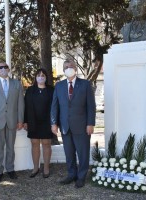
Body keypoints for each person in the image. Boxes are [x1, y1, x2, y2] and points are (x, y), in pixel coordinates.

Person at [51, 59, 96, 188]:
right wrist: (54, 123)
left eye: (71, 66)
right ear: (63, 70)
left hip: (82, 126)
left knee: (82, 153)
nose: (68, 68)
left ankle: (81, 177)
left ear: (75, 68)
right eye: (66, 67)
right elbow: (55, 106)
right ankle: (71, 175)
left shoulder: (85, 84)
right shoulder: (59, 86)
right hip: (65, 126)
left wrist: (90, 123)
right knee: (69, 153)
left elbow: (91, 106)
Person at [0, 62, 24, 183]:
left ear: (9, 69)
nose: (3, 69)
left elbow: (20, 104)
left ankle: (10, 169)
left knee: (11, 147)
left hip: (12, 120)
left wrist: (20, 120)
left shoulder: (17, 84)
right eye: (0, 67)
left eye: (5, 67)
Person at [24, 68, 54, 178]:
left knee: (46, 144)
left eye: (43, 75)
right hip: (33, 121)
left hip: (47, 122)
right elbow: (26, 107)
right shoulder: (30, 90)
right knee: (35, 144)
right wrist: (25, 121)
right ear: (35, 77)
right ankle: (36, 167)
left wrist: (54, 122)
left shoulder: (51, 90)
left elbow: (55, 107)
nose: (41, 77)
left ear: (46, 78)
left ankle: (46, 168)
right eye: (39, 75)